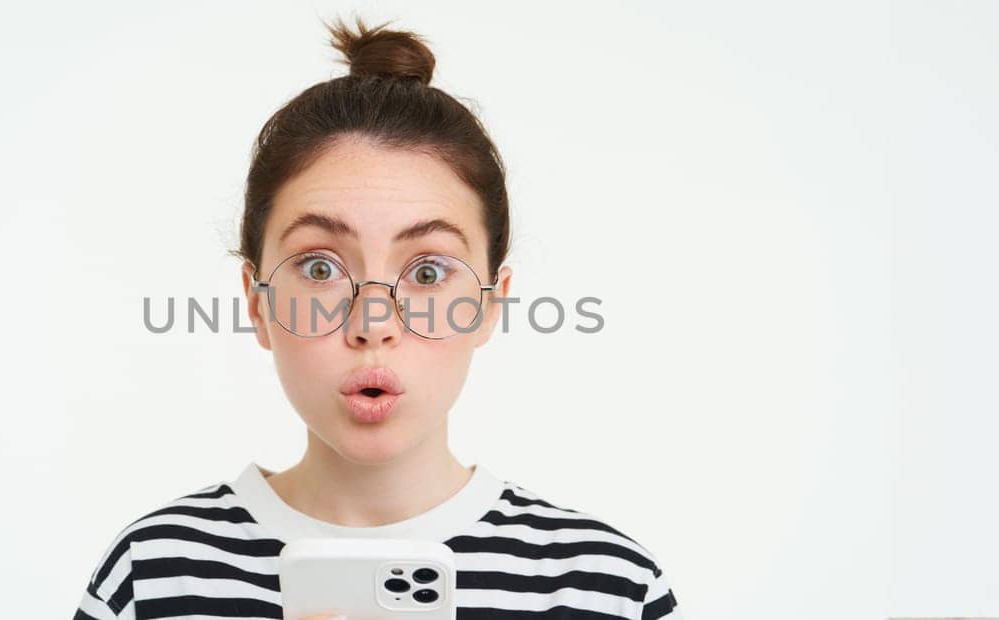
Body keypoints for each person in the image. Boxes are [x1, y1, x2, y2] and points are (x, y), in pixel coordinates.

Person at [73, 15, 681, 620]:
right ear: (257, 303)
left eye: (426, 272)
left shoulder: (607, 589)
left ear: (490, 305)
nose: (372, 323)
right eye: (318, 268)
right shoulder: (152, 574)